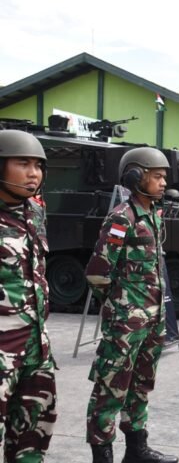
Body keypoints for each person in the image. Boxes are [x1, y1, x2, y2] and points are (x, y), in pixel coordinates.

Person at [85, 147, 178, 463]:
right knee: (110, 390)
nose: (164, 182)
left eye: (165, 176)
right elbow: (98, 273)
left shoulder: (153, 214)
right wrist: (120, 309)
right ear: (136, 176)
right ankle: (103, 456)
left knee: (141, 387)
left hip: (152, 320)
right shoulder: (120, 218)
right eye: (157, 176)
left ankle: (137, 450)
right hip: (126, 324)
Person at [0, 130, 57, 462]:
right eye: (23, 163)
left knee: (34, 434)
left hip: (35, 346)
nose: (33, 173)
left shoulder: (35, 211)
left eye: (38, 165)